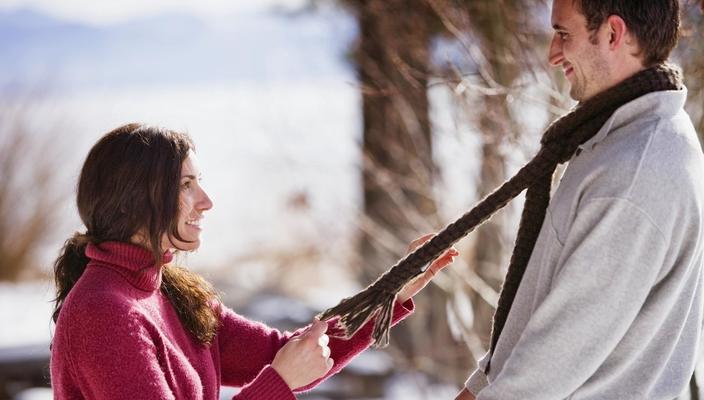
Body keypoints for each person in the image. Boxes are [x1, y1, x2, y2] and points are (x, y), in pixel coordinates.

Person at [49, 123, 459, 399]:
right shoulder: (103, 313)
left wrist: (390, 293)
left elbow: (284, 353)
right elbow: (282, 370)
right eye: (186, 185)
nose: (206, 201)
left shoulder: (170, 291)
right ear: (137, 199)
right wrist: (278, 385)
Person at [455, 0, 704, 399]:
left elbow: (551, 359)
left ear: (612, 33)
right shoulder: (628, 141)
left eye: (563, 34)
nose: (553, 55)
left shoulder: (635, 169)